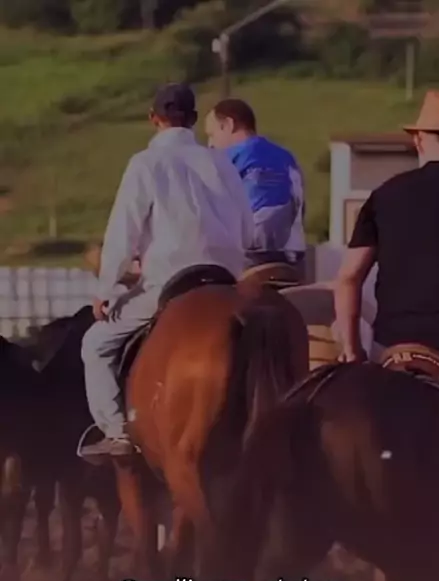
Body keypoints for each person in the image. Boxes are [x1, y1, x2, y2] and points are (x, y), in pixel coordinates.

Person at [81, 83, 254, 457]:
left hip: (168, 284)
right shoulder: (222, 162)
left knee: (95, 345)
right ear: (193, 119)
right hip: (225, 280)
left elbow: (123, 235)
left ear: (153, 118)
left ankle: (117, 433)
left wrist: (106, 290)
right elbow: (248, 231)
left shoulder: (145, 163)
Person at [333, 90, 439, 370]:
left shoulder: (384, 195)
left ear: (418, 140)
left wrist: (352, 350)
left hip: (393, 347)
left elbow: (349, 278)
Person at [204, 98, 306, 275]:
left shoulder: (226, 160)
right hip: (291, 257)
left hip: (247, 258)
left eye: (212, 135)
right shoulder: (287, 158)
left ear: (228, 125)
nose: (210, 144)